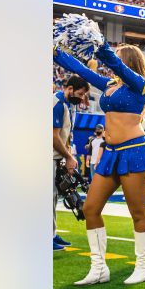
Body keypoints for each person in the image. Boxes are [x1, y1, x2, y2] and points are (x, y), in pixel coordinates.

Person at [53, 41, 145, 286]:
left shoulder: (139, 85)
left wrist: (101, 46)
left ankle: (142, 267)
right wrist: (55, 53)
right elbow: (83, 71)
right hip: (110, 153)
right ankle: (99, 268)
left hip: (133, 151)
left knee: (137, 211)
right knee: (90, 208)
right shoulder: (111, 85)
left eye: (119, 57)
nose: (114, 63)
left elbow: (115, 64)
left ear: (128, 61)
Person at [53, 75, 90, 250]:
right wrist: (68, 156)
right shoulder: (58, 104)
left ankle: (51, 233)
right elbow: (52, 136)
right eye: (80, 93)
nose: (82, 98)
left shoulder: (67, 105)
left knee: (53, 197)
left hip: (56, 156)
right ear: (69, 89)